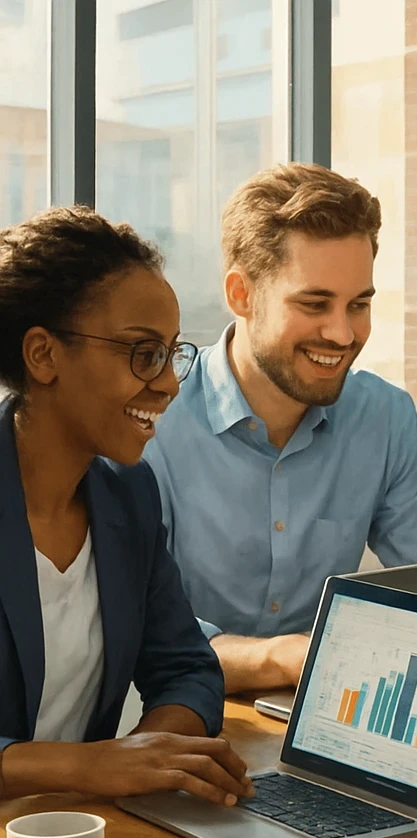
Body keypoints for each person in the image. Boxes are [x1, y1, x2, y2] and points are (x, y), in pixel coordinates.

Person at [144, 163, 417, 696]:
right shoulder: (154, 420)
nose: (342, 334)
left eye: (358, 305)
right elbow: (146, 635)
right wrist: (281, 658)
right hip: (172, 722)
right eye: (314, 304)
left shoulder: (384, 419)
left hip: (321, 717)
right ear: (241, 294)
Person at [0, 206, 251, 807]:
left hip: (78, 837)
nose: (166, 383)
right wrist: (90, 768)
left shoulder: (127, 497)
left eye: (171, 353)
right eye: (142, 353)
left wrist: (149, 756)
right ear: (43, 355)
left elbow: (189, 671)